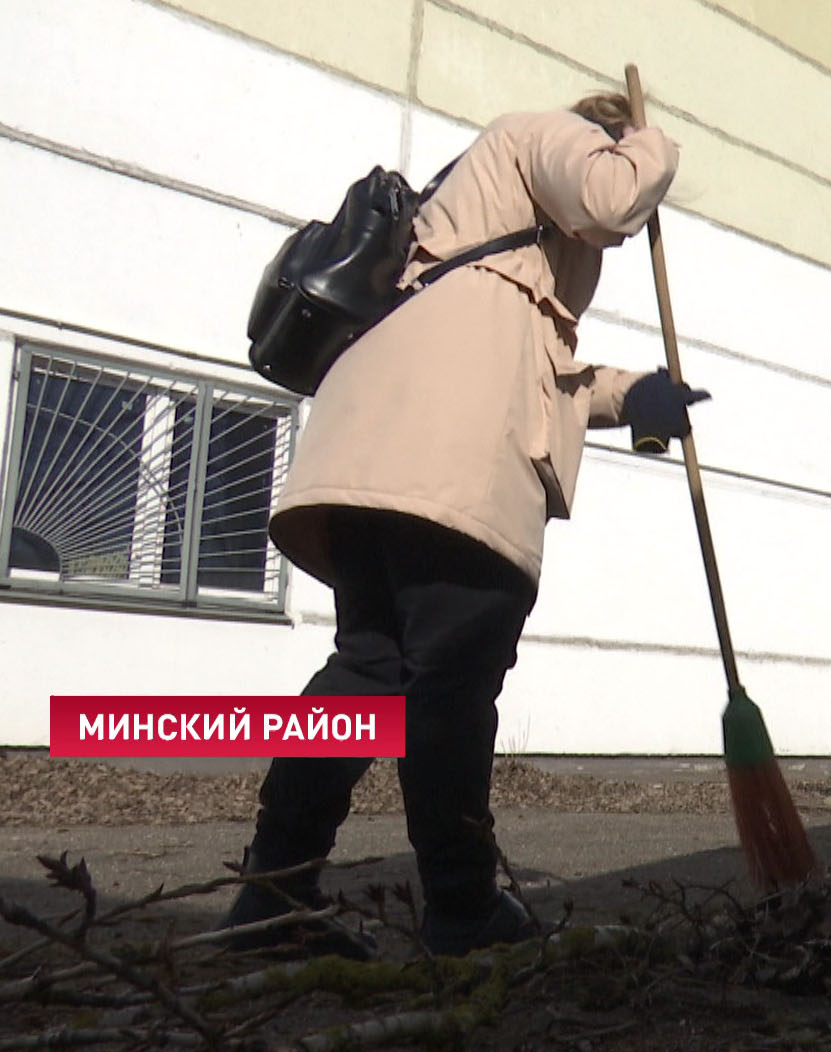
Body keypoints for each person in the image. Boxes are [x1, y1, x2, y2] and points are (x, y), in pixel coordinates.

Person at [219, 93, 706, 958]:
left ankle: (272, 897)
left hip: (378, 455)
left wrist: (636, 394)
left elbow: (535, 365)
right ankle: (461, 904)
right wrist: (648, 137)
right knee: (448, 685)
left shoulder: (463, 246)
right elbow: (609, 197)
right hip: (450, 464)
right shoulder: (540, 135)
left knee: (367, 675)